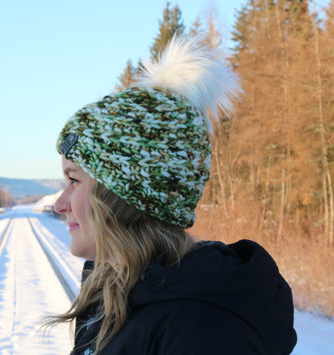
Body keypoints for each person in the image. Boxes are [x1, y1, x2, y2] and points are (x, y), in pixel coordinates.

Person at [49, 35, 297, 354]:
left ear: (125, 193)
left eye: (74, 181)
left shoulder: (196, 329)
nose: (59, 204)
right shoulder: (122, 297)